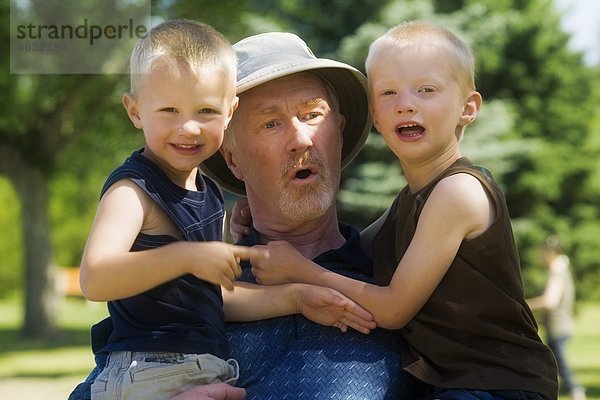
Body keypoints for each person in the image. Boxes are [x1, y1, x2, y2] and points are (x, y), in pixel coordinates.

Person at [69, 30, 418, 400]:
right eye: (271, 123)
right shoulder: (181, 287)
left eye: (313, 114)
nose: (301, 139)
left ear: (340, 133)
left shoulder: (395, 279)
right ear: (232, 158)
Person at [250, 21, 559, 400]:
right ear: (377, 119)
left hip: (497, 384)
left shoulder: (458, 192)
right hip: (455, 384)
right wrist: (260, 222)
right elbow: (354, 249)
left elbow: (394, 309)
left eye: (426, 90)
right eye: (389, 92)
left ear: (468, 108)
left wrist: (299, 272)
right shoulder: (410, 202)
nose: (406, 103)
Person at [527, 235, 586, 400]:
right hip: (561, 325)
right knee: (557, 363)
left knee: (558, 364)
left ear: (549, 252)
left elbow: (550, 301)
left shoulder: (557, 271)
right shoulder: (563, 269)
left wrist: (524, 305)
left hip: (558, 325)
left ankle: (577, 391)